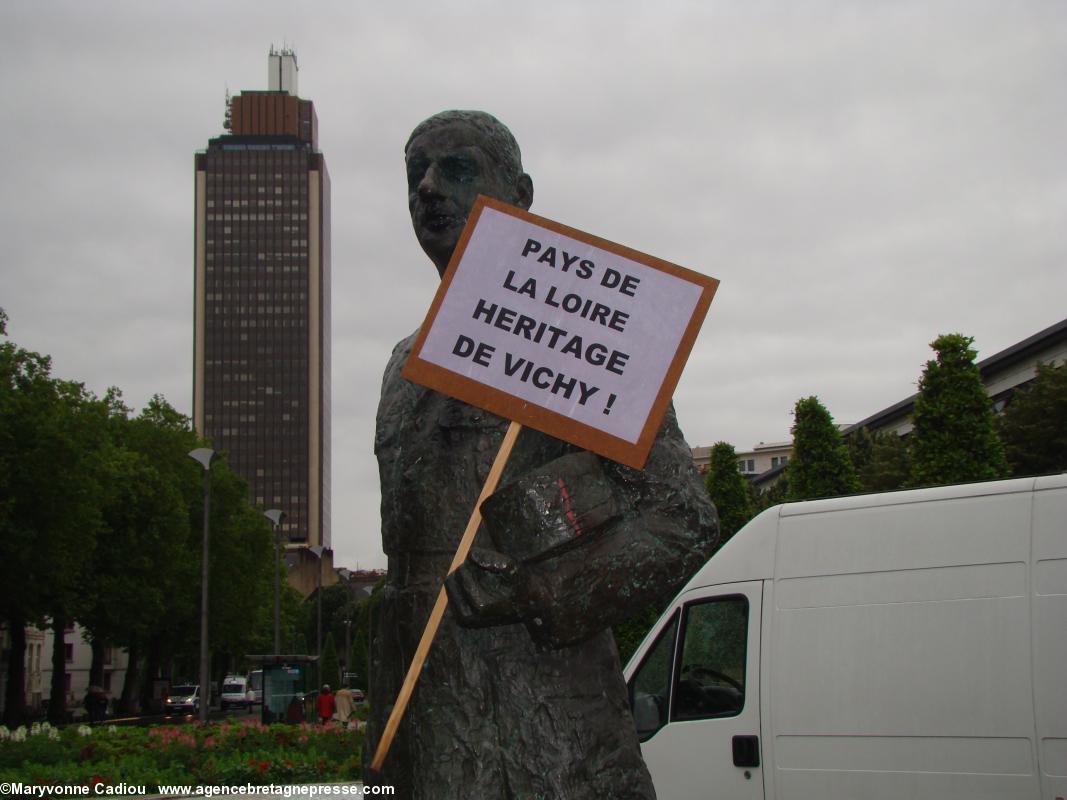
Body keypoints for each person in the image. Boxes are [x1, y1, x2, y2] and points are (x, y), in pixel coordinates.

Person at [364, 110, 718, 799]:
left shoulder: (579, 337)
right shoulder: (401, 366)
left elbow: (681, 519)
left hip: (550, 752)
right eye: (415, 173)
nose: (427, 188)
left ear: (520, 196)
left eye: (455, 170)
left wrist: (537, 591)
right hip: (421, 749)